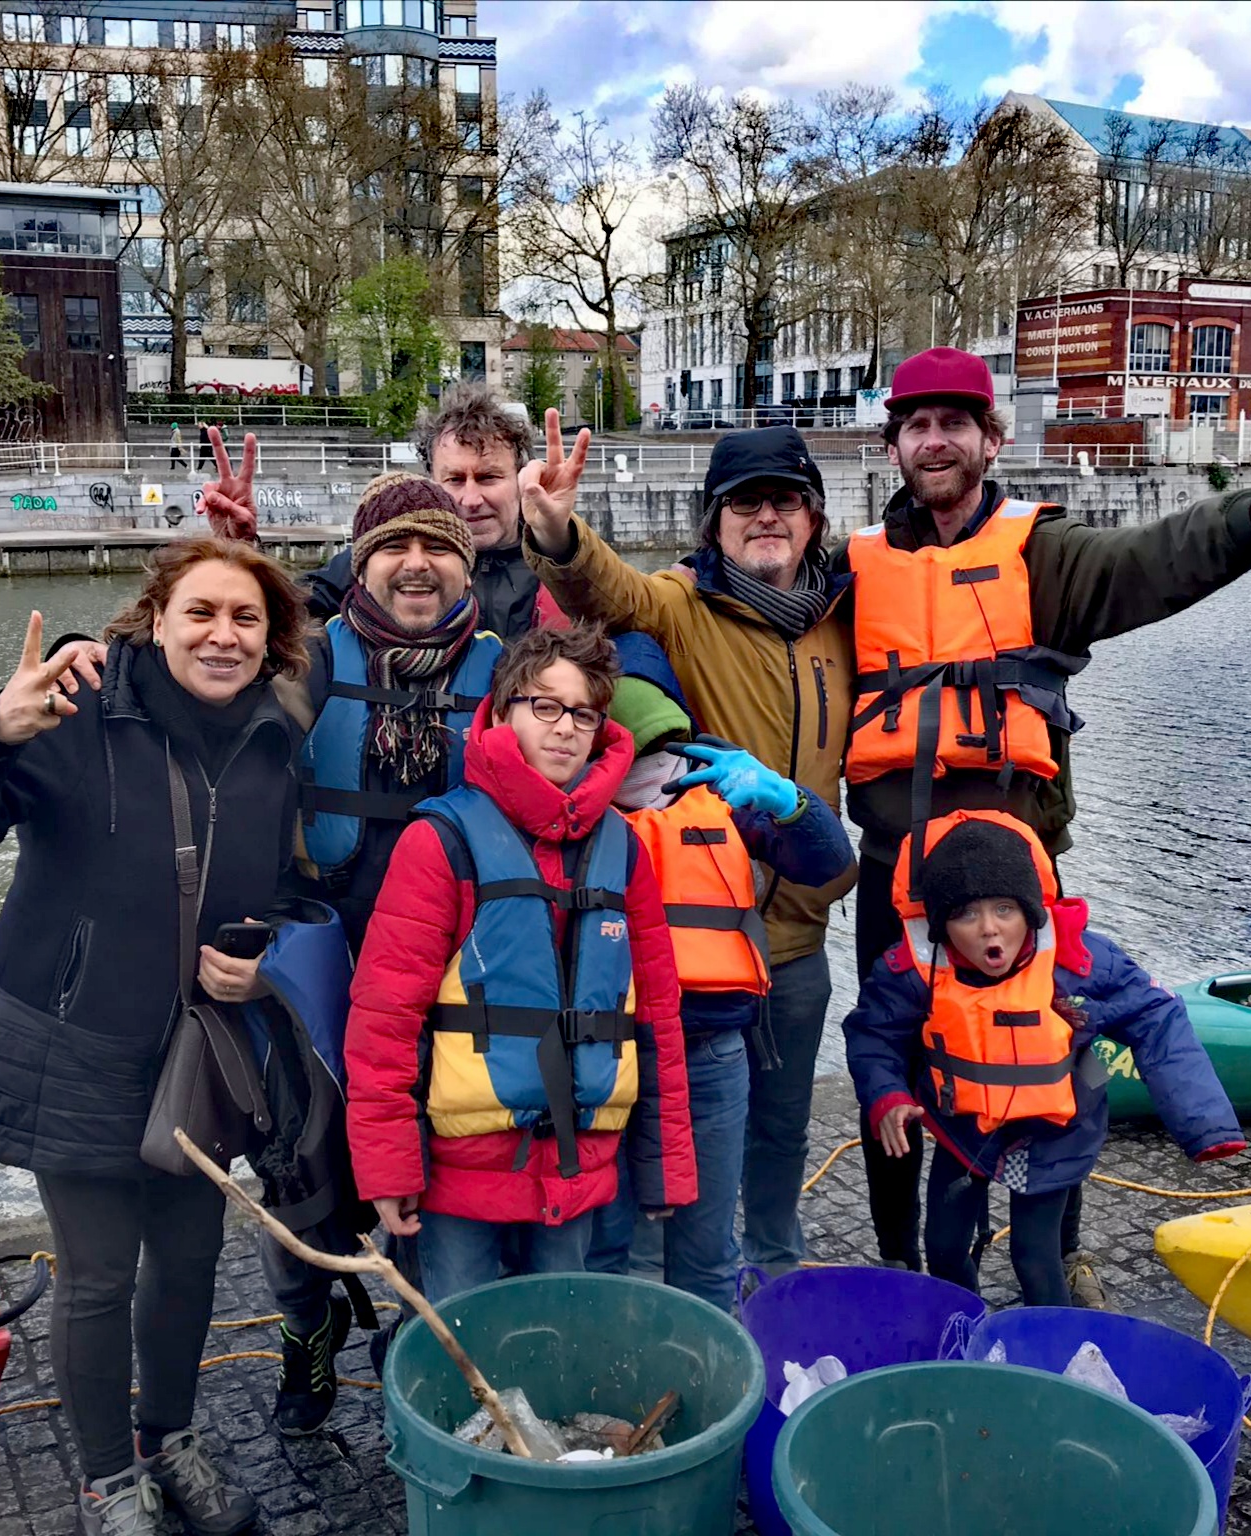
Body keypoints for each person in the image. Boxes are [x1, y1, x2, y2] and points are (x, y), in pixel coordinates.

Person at [839, 347, 1251, 1284]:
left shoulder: (1043, 557)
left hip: (1023, 878)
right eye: (917, 425)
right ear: (894, 446)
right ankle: (905, 1263)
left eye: (954, 424)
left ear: (990, 440)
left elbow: (1152, 564)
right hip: (900, 872)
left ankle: (1063, 1248)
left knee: (1053, 1050)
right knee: (894, 1057)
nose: (935, 440)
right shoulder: (852, 573)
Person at [0, 539, 311, 1536]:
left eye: (244, 618)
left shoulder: (272, 739)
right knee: (95, 1275)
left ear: (270, 639)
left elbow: (285, 889)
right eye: (199, 613)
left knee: (194, 1259)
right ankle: (104, 1479)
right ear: (154, 620)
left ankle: (169, 1439)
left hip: (201, 1052)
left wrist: (275, 963)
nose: (222, 634)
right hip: (72, 1040)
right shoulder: (72, 713)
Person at [521, 410, 855, 1275]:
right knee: (680, 1136)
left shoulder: (839, 619)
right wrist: (558, 532)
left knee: (781, 1130)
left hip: (799, 940)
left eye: (786, 501)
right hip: (696, 942)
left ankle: (775, 1274)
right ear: (714, 523)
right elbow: (608, 594)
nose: (766, 517)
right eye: (744, 505)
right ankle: (679, 1290)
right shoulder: (680, 601)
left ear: (815, 517)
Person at [343, 625, 697, 1303]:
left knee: (558, 1344)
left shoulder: (624, 849)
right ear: (503, 710)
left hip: (578, 1162)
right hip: (458, 1171)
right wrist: (390, 1170)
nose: (565, 728)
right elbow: (386, 1022)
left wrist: (664, 1169)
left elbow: (656, 1019)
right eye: (545, 706)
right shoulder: (439, 840)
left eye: (584, 713)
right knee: (459, 1349)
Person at [262, 472, 502, 1434]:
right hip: (323, 957)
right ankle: (305, 1330)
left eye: (438, 547)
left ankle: (411, 1338)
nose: (417, 564)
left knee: (427, 1166)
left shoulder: (502, 669)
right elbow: (224, 756)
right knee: (298, 1162)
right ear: (363, 563)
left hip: (446, 968)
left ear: (466, 560)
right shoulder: (310, 661)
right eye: (395, 547)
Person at [842, 811, 1246, 1306]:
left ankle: (1050, 1356)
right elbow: (873, 1034)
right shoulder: (913, 970)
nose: (990, 930)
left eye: (1005, 909)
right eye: (966, 914)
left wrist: (1206, 1128)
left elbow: (1157, 1014)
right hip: (965, 1129)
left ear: (1031, 911)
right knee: (944, 1248)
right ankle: (959, 1337)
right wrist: (887, 1095)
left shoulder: (1078, 960)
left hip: (1055, 1135)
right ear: (941, 923)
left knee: (1035, 1257)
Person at [590, 635, 854, 1310]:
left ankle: (715, 1381)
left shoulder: (723, 798)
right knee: (624, 1252)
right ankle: (631, 1383)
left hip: (710, 1053)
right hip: (606, 1057)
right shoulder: (569, 803)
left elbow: (828, 863)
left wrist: (787, 798)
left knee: (708, 1252)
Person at [203, 384, 562, 635]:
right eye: (453, 480)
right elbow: (281, 616)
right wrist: (242, 547)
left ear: (519, 476)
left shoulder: (566, 564)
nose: (470, 499)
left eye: (487, 478)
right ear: (430, 484)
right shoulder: (387, 554)